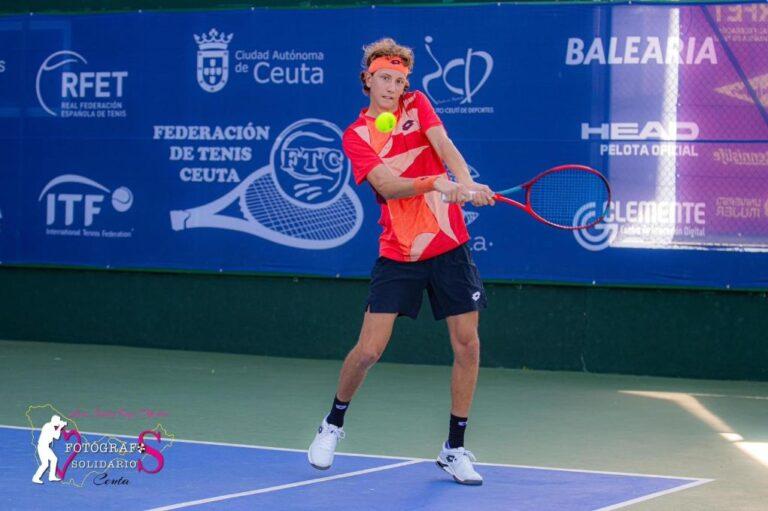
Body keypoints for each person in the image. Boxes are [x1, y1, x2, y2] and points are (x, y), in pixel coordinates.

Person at [308, 37, 494, 485]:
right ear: (367, 80)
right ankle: (332, 423)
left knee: (467, 343)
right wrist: (437, 182)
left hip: (450, 245)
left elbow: (443, 143)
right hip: (401, 251)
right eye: (384, 79)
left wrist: (465, 182)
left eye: (399, 80)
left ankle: (455, 448)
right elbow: (389, 187)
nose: (392, 87)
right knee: (370, 349)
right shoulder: (356, 136)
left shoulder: (418, 104)